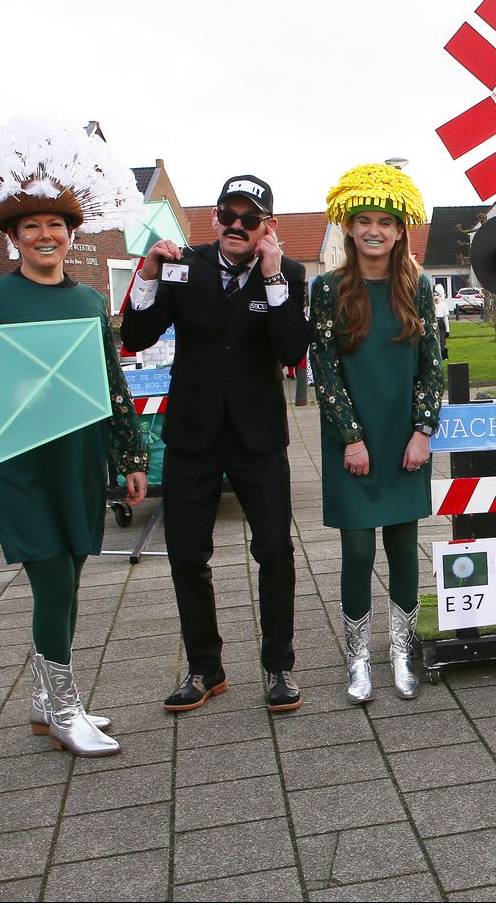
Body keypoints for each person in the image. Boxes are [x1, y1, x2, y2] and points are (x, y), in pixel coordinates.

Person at [0, 123, 150, 757]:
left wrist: (131, 456)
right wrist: (14, 406)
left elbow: (111, 383)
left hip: (79, 457)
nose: (45, 235)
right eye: (31, 226)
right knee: (53, 580)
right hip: (23, 460)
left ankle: (45, 703)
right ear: (13, 237)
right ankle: (63, 708)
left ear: (71, 233)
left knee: (72, 576)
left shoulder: (90, 302)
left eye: (56, 224)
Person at [121, 175, 309, 713]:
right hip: (193, 434)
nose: (236, 226)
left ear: (268, 226)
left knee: (274, 550)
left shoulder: (289, 273)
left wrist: (273, 279)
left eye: (250, 219)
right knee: (186, 553)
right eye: (228, 215)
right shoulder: (184, 265)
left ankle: (279, 666)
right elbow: (135, 337)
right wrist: (147, 275)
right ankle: (206, 668)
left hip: (257, 437)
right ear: (214, 218)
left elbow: (291, 351)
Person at [311, 164, 442, 704]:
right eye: (364, 220)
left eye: (385, 222)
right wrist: (350, 437)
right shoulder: (327, 288)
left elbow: (432, 364)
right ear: (348, 226)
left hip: (404, 438)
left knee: (404, 548)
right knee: (359, 550)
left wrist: (423, 430)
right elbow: (324, 368)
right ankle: (359, 656)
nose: (374, 230)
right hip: (353, 441)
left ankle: (402, 650)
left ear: (400, 229)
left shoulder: (419, 286)